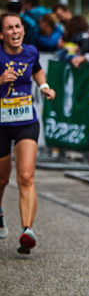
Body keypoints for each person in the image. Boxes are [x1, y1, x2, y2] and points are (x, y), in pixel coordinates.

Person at [0, 13, 56, 253]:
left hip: (25, 120)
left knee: (26, 176)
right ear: (2, 34)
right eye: (9, 28)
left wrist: (43, 86)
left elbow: (37, 70)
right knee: (2, 179)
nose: (15, 31)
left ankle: (27, 231)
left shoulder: (31, 52)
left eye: (18, 26)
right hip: (1, 124)